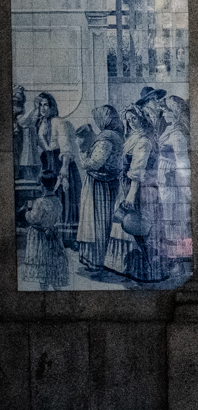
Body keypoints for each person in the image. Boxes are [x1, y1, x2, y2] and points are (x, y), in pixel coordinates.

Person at [104, 105, 165, 283]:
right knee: (130, 227)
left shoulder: (144, 140)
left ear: (143, 119)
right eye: (129, 120)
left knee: (139, 227)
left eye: (135, 119)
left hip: (139, 189)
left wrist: (130, 195)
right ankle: (135, 269)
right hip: (129, 186)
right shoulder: (133, 137)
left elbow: (137, 171)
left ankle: (147, 271)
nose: (131, 123)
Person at [30, 91, 82, 248]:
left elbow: (66, 148)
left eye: (46, 105)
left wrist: (64, 170)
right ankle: (53, 235)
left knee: (65, 198)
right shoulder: (39, 125)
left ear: (52, 106)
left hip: (62, 164)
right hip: (48, 164)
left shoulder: (60, 122)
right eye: (40, 105)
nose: (43, 108)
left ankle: (68, 237)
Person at [76, 105, 125, 273]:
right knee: (103, 222)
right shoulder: (118, 135)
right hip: (109, 183)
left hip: (99, 185)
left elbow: (92, 163)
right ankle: (100, 259)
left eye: (98, 118)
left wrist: (83, 152)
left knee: (97, 222)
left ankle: (96, 260)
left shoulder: (105, 139)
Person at [158, 94, 190, 263]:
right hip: (164, 181)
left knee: (175, 220)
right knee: (168, 219)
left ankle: (178, 259)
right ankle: (171, 256)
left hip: (172, 183)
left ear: (174, 113)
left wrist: (185, 187)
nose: (163, 115)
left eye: (166, 111)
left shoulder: (177, 136)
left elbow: (182, 162)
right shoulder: (169, 130)